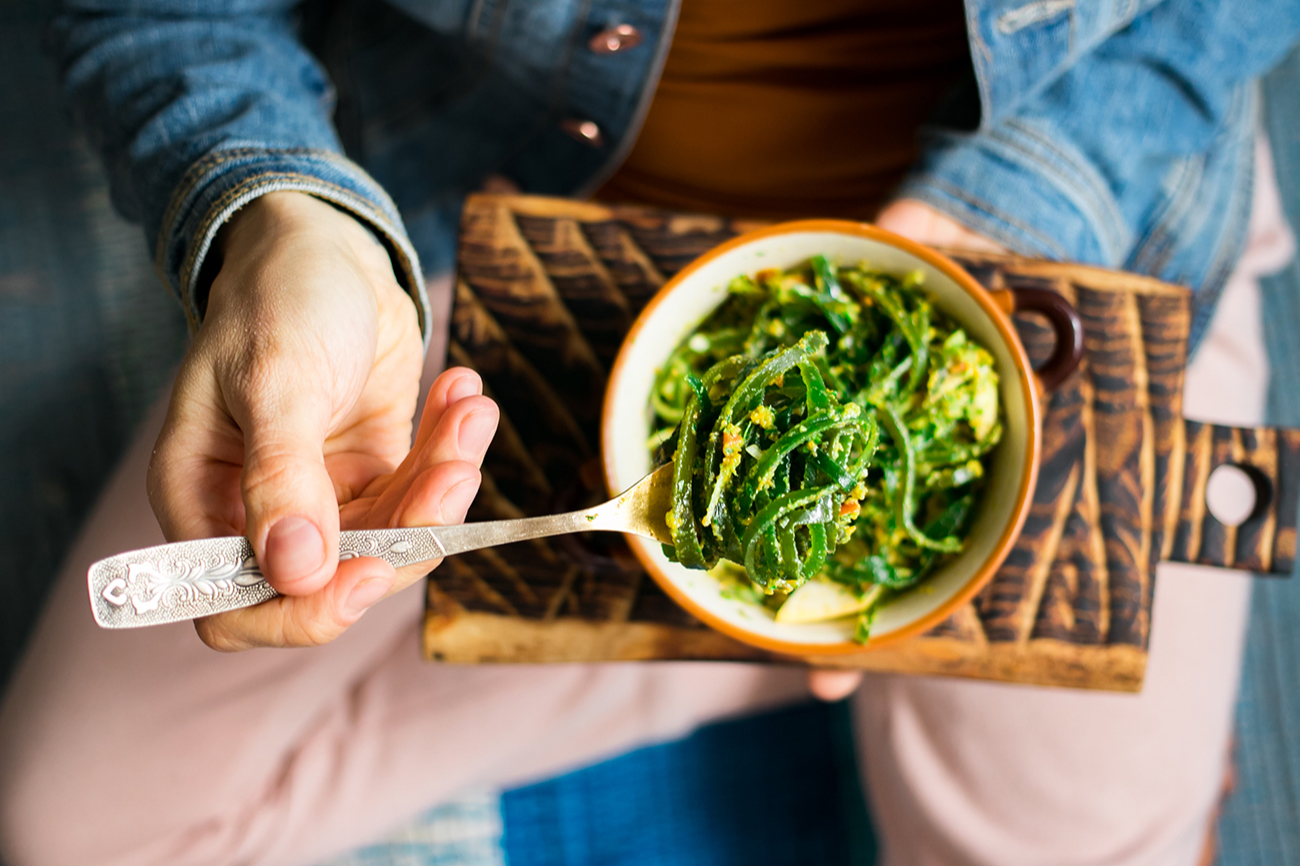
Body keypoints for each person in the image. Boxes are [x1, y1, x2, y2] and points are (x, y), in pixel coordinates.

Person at [1, 1, 1298, 864]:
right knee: (75, 826)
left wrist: (1029, 196)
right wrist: (274, 207)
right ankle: (756, 625)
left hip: (1057, 245)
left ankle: (724, 618)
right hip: (504, 231)